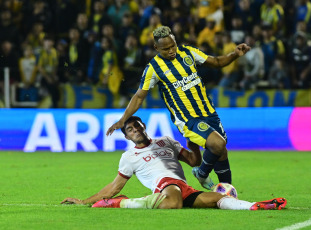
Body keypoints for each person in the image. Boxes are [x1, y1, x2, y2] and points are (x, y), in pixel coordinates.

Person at [106, 26, 251, 190]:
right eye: (165, 49)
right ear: (156, 48)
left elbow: (216, 62)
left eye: (173, 45)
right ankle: (202, 174)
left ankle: (227, 193)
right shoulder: (153, 68)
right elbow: (139, 96)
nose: (171, 51)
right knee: (217, 144)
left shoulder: (188, 52)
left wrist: (234, 54)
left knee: (221, 151)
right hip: (188, 119)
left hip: (209, 113)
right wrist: (122, 120)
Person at [61, 116, 287, 211]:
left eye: (137, 125)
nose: (136, 130)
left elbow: (193, 161)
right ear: (128, 137)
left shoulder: (165, 141)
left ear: (144, 126)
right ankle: (119, 204)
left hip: (183, 187)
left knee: (220, 199)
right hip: (165, 185)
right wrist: (84, 201)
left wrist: (193, 141)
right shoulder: (129, 157)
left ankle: (255, 206)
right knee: (173, 203)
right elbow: (114, 187)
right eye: (130, 130)